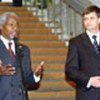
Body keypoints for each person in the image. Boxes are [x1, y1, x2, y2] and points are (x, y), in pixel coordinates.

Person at [0, 12, 44, 100]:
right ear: (1, 26)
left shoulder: (23, 50)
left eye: (17, 25)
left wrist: (36, 75)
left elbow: (27, 78)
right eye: (11, 24)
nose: (15, 28)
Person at [65, 5, 100, 100]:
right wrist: (89, 80)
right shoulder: (76, 42)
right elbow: (70, 71)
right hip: (87, 95)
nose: (88, 22)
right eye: (85, 19)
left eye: (92, 18)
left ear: (99, 20)